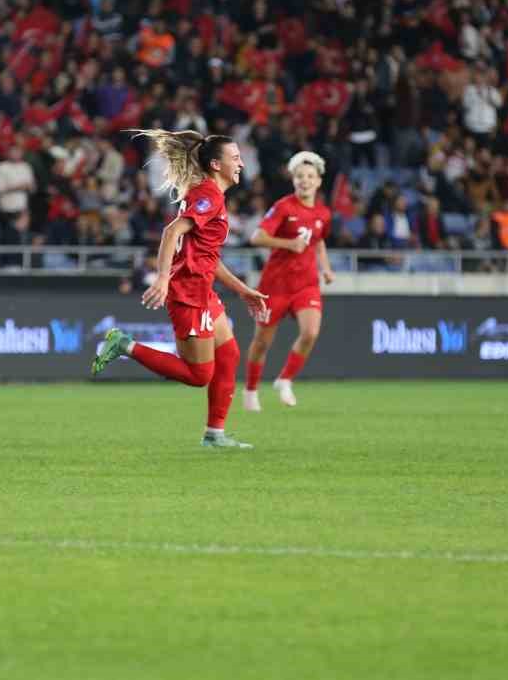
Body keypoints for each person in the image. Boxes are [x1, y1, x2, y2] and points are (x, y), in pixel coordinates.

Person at [90, 129, 269, 448]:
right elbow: (172, 231)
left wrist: (242, 290)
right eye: (235, 158)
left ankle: (215, 435)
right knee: (199, 375)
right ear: (216, 164)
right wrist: (162, 277)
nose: (241, 163)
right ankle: (125, 345)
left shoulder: (212, 195)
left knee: (229, 354)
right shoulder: (208, 196)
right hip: (188, 293)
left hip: (203, 288)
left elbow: (208, 258)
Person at [242, 151, 335, 412]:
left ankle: (284, 380)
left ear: (318, 181)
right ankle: (250, 390)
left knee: (311, 332)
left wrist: (326, 269)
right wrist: (288, 243)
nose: (304, 180)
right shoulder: (283, 207)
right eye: (299, 176)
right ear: (293, 180)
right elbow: (257, 237)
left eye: (310, 176)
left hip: (306, 283)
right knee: (262, 343)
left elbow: (318, 242)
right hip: (275, 285)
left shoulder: (324, 214)